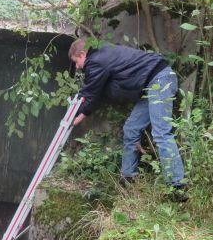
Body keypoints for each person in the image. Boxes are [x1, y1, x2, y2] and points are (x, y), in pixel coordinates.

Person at [68, 38, 187, 200]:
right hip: (152, 83)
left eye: (76, 61)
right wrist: (79, 115)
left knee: (161, 133)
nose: (77, 67)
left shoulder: (96, 60)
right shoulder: (103, 53)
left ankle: (177, 186)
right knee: (131, 128)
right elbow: (94, 94)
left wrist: (74, 117)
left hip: (159, 80)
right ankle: (128, 178)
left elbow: (90, 93)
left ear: (83, 54)